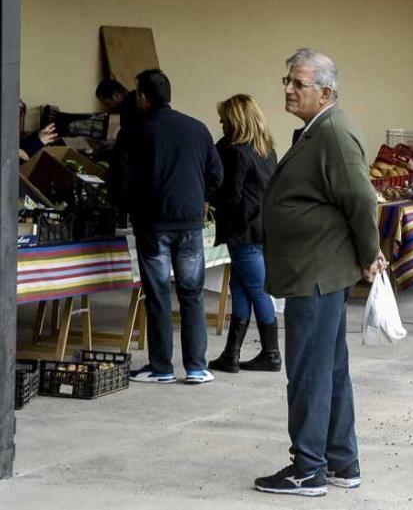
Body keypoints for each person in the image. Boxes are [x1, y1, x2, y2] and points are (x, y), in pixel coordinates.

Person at [254, 49, 385, 497]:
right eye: (286, 80)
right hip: (315, 270)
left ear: (325, 91)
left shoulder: (333, 132)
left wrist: (371, 254)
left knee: (310, 371)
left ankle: (308, 468)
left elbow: (362, 199)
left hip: (317, 271)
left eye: (297, 83)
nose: (288, 89)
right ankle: (340, 462)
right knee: (328, 369)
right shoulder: (319, 130)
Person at [113, 69, 223, 384]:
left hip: (152, 224)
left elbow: (119, 182)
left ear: (143, 97)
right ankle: (197, 367)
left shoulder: (134, 132)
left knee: (159, 294)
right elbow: (216, 175)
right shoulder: (197, 129)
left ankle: (161, 367)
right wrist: (196, 197)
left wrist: (128, 206)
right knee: (192, 293)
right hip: (190, 223)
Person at [208, 94, 279, 374]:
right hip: (262, 227)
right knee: (241, 288)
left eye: (225, 119)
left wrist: (209, 200)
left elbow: (231, 195)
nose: (221, 123)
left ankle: (271, 353)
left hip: (243, 230)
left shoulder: (235, 151)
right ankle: (232, 353)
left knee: (256, 291)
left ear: (236, 121)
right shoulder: (265, 149)